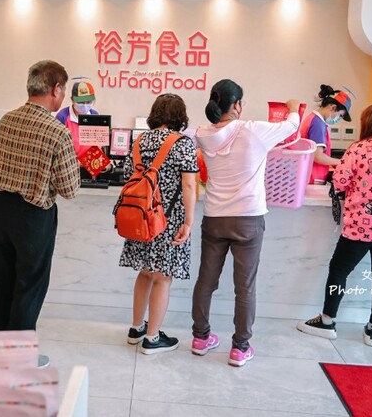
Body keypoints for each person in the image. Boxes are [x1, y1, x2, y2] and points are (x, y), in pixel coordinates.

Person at [191, 80, 301, 367]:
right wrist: (292, 107)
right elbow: (292, 126)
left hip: (214, 218)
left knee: (206, 281)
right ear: (237, 105)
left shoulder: (202, 134)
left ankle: (200, 338)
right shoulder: (253, 130)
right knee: (245, 287)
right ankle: (240, 348)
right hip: (248, 219)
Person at [0, 60, 81, 367]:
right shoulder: (57, 132)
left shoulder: (6, 121)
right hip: (33, 216)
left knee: (0, 281)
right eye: (63, 90)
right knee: (29, 285)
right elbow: (69, 189)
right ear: (55, 89)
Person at [297, 104, 372, 347]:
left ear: (367, 122)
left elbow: (340, 181)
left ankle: (327, 321)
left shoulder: (358, 149)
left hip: (363, 224)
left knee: (339, 270)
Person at [121, 93, 198, 355]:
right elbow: (189, 184)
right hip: (169, 220)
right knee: (163, 278)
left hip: (141, 217)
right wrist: (188, 222)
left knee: (145, 272)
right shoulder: (183, 143)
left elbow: (127, 174)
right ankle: (152, 338)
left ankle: (136, 329)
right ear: (180, 116)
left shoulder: (139, 140)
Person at [299, 84, 353, 184]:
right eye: (340, 115)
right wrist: (342, 162)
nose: (338, 119)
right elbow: (318, 156)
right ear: (333, 107)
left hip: (308, 175)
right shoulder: (318, 124)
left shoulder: (312, 118)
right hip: (313, 177)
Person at [55, 79, 100, 157]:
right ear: (72, 100)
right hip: (69, 162)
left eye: (88, 102)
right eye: (81, 102)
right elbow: (57, 147)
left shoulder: (95, 116)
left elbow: (98, 145)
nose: (85, 105)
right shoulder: (62, 117)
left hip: (90, 162)